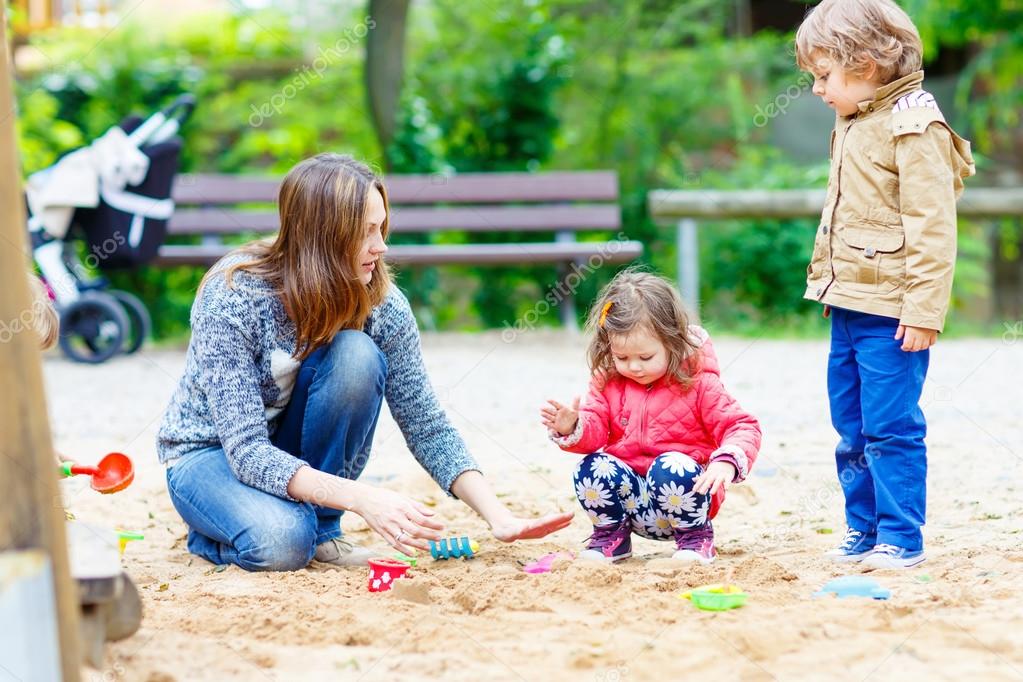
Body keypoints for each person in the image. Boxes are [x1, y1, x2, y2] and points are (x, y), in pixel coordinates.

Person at [157, 153, 572, 571]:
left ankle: (320, 532)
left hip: (287, 455)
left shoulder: (381, 303)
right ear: (324, 237)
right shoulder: (234, 295)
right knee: (283, 544)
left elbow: (424, 420)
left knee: (356, 355)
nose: (382, 246)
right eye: (367, 232)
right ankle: (218, 532)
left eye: (382, 227)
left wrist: (499, 516)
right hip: (211, 454)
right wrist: (363, 498)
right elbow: (246, 452)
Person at [795, 0, 975, 568]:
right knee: (849, 425)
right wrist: (835, 284)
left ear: (866, 64)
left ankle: (901, 537)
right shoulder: (854, 121)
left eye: (824, 75)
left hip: (895, 314)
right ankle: (863, 528)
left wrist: (925, 310)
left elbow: (932, 226)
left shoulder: (914, 125)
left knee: (889, 427)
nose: (819, 90)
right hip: (849, 305)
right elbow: (846, 213)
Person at [541, 270, 761, 563]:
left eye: (645, 357)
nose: (634, 367)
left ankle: (696, 541)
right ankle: (612, 539)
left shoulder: (698, 383)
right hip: (631, 502)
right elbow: (595, 432)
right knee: (591, 467)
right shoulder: (608, 381)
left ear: (672, 342)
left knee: (670, 466)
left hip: (684, 500)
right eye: (622, 358)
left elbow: (742, 425)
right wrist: (574, 426)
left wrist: (726, 461)